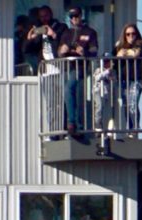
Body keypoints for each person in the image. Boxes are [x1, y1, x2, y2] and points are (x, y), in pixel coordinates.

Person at [26, 5, 66, 136]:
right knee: (51, 103)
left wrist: (53, 35)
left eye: (46, 16)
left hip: (59, 70)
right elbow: (26, 50)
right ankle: (54, 132)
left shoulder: (60, 27)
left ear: (51, 14)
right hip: (45, 72)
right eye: (41, 16)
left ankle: (64, 129)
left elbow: (64, 43)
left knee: (62, 102)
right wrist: (30, 38)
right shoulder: (38, 30)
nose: (44, 19)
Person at [58, 7, 98, 138]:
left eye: (76, 16)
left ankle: (72, 123)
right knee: (70, 94)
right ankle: (73, 125)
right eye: (71, 17)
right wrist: (62, 51)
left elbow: (94, 51)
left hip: (80, 67)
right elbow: (59, 52)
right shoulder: (66, 33)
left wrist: (83, 52)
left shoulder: (90, 32)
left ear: (81, 16)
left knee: (69, 89)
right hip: (66, 67)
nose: (74, 19)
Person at [113, 24, 142, 134]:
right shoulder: (119, 46)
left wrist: (138, 53)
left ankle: (134, 127)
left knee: (133, 102)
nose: (131, 36)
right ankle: (130, 127)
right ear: (124, 35)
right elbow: (111, 61)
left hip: (137, 79)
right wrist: (118, 56)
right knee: (126, 104)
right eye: (128, 34)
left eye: (133, 34)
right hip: (123, 79)